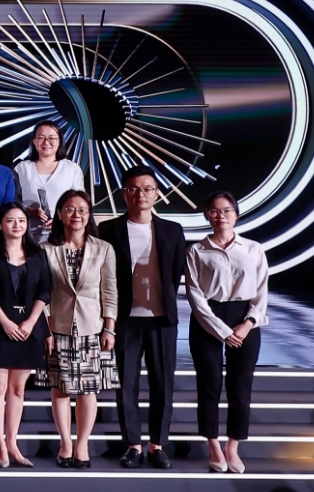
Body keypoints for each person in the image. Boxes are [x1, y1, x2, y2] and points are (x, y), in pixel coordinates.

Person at [98, 166, 185, 470]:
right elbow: (104, 276)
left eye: (147, 188)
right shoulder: (109, 229)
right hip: (125, 319)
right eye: (134, 189)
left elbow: (175, 273)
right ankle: (132, 444)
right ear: (124, 194)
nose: (141, 194)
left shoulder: (172, 230)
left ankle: (157, 445)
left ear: (157, 193)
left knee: (163, 384)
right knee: (127, 385)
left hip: (161, 318)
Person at [187, 191, 268, 475]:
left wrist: (248, 323)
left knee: (240, 387)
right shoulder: (196, 251)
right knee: (209, 386)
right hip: (207, 318)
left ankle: (233, 447)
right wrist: (222, 330)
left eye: (227, 211)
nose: (221, 216)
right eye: (214, 211)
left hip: (244, 319)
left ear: (236, 214)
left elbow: (261, 291)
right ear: (207, 215)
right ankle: (213, 445)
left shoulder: (253, 249)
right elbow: (195, 295)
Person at [42, 189, 117, 469]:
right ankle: (65, 443)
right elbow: (42, 292)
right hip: (56, 327)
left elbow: (110, 291)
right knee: (60, 388)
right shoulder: (46, 249)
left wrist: (109, 328)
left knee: (88, 390)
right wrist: (45, 328)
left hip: (92, 327)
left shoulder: (103, 248)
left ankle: (82, 444)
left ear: (89, 215)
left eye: (83, 210)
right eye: (70, 209)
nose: (77, 215)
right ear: (60, 214)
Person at [0, 202, 50, 469]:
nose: (17, 225)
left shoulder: (37, 254)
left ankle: (13, 443)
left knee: (18, 389)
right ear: (0, 224)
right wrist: (5, 322)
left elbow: (45, 290)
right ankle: (0, 445)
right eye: (10, 220)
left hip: (29, 328)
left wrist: (31, 322)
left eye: (21, 220)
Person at [13, 122, 84, 243]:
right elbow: (13, 200)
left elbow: (80, 203)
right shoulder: (21, 168)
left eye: (52, 138)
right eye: (41, 138)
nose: (46, 142)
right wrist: (29, 210)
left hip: (64, 235)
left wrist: (60, 218)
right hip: (27, 235)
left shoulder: (72, 169)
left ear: (60, 141)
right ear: (34, 141)